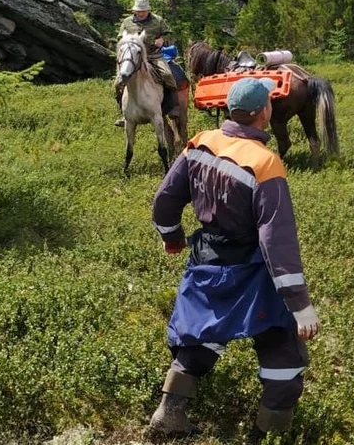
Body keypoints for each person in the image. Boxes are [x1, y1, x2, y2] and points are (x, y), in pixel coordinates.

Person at [147, 76, 321, 442]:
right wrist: (300, 305)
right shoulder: (265, 162)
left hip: (207, 261)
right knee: (281, 346)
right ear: (263, 113)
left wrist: (172, 236)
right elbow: (277, 241)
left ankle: (169, 413)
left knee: (199, 335)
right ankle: (265, 435)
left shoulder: (200, 142)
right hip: (253, 272)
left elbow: (165, 198)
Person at [114, 0, 178, 127]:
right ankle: (123, 113)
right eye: (138, 11)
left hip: (153, 56)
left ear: (148, 10)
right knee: (117, 82)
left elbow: (169, 34)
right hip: (133, 59)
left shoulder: (158, 21)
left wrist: (163, 40)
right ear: (134, 11)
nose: (141, 13)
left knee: (168, 75)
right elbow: (120, 38)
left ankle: (173, 107)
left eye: (143, 11)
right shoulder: (126, 23)